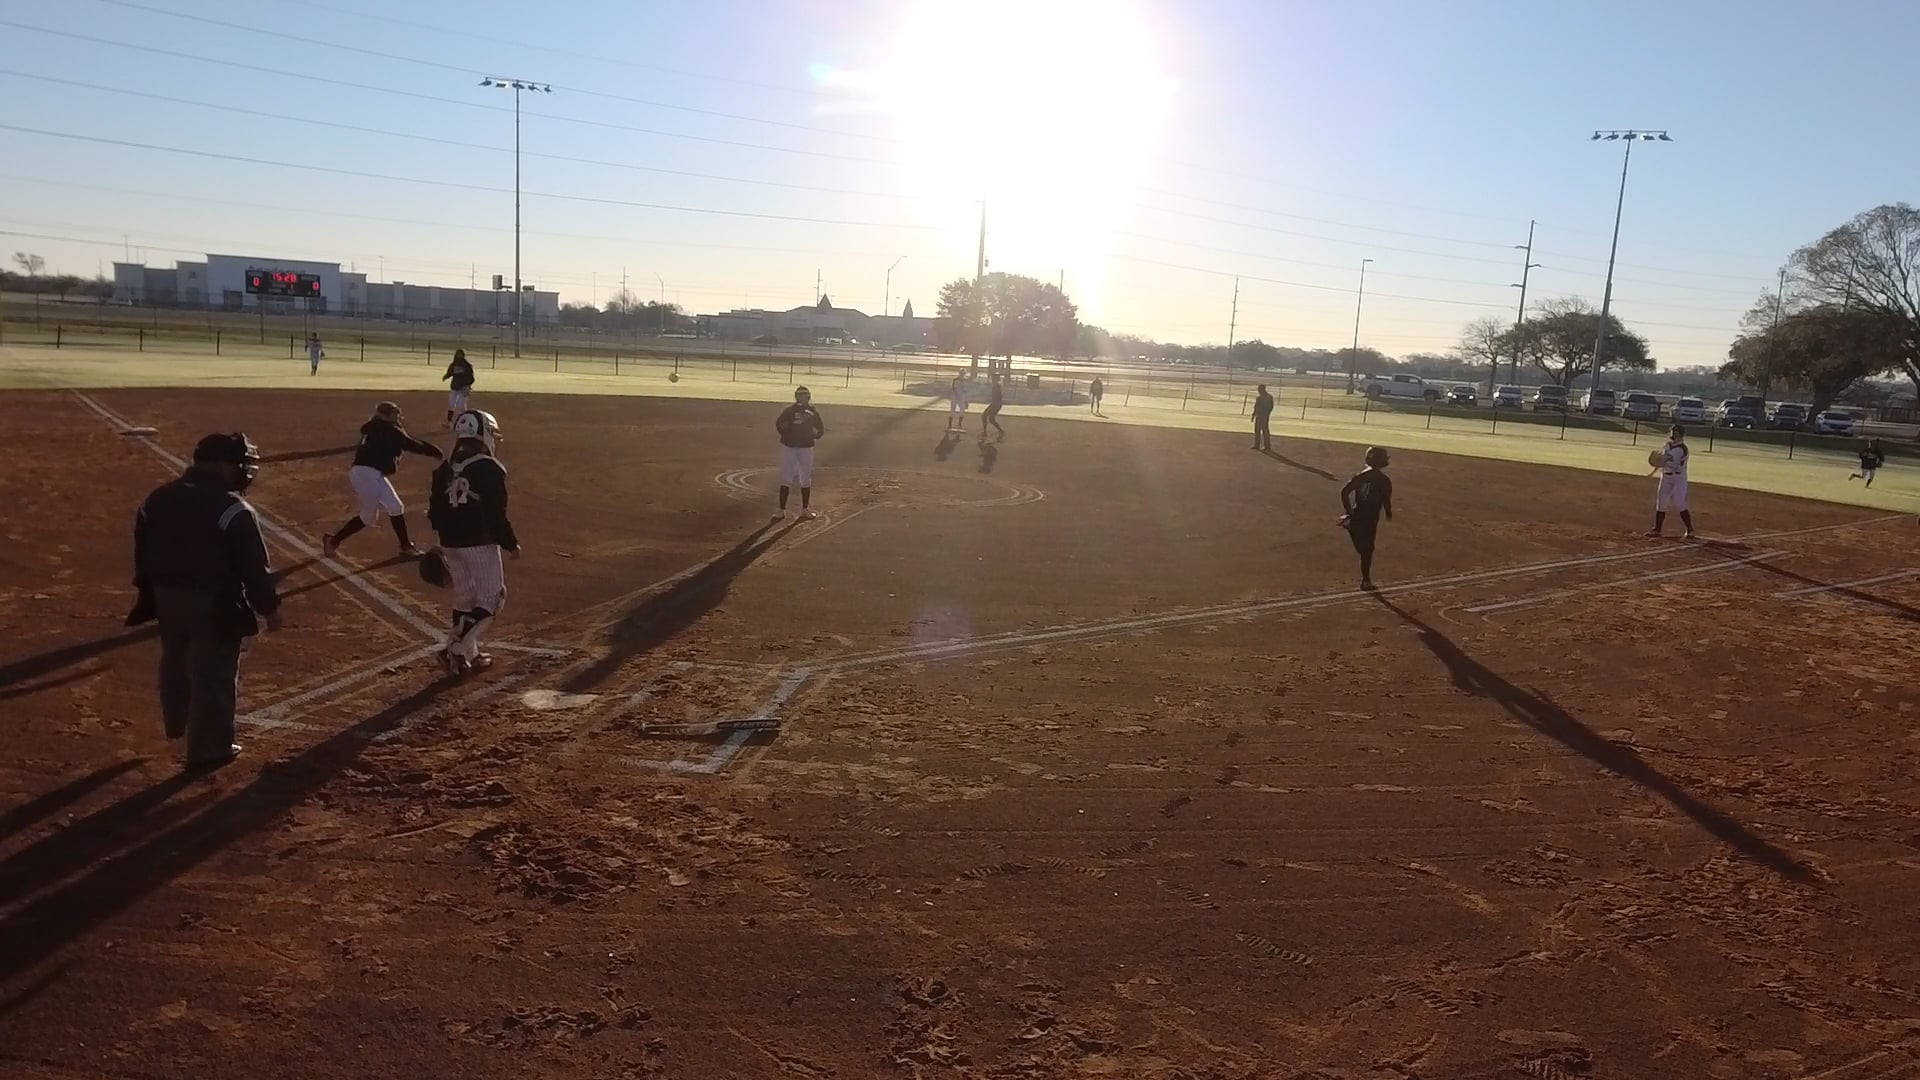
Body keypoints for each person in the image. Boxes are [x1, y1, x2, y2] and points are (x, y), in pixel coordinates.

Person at [129, 432, 282, 770]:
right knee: (213, 672)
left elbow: (142, 548)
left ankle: (177, 722)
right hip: (214, 602)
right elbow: (253, 567)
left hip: (166, 597)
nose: (244, 471)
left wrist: (148, 591)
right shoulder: (233, 509)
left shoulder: (158, 498)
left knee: (175, 658)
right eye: (239, 464)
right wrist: (268, 607)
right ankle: (209, 748)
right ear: (221, 464)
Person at [428, 409, 519, 676]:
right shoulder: (489, 467)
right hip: (478, 541)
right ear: (484, 434)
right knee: (491, 600)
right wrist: (509, 542)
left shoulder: (445, 468)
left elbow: (434, 511)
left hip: (450, 542)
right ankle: (454, 648)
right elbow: (495, 513)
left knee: (464, 598)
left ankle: (469, 654)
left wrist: (440, 540)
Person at [322, 401, 442, 559]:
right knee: (369, 517)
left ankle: (406, 546)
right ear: (387, 415)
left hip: (372, 473)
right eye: (395, 413)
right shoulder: (388, 428)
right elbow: (410, 444)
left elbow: (405, 441)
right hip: (366, 474)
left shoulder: (378, 427)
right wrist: (434, 452)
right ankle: (333, 540)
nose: (398, 416)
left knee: (396, 506)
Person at [1337, 446, 1394, 591]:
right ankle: (1366, 580)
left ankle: (1350, 522)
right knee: (1367, 550)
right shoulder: (1384, 480)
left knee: (1364, 548)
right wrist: (1388, 512)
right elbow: (1386, 499)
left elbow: (1345, 492)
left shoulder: (1361, 476)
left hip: (1358, 513)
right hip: (1370, 517)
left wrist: (1349, 511)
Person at [774, 385, 827, 520]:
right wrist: (788, 433)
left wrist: (812, 434)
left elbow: (820, 430)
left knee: (805, 478)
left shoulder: (813, 412)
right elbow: (779, 425)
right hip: (789, 447)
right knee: (786, 477)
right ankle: (781, 510)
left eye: (804, 395)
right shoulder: (789, 411)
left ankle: (805, 509)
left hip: (806, 448)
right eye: (800, 395)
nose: (802, 397)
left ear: (808, 397)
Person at [1647, 423, 1695, 540]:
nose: (1673, 433)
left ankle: (1690, 530)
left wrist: (1659, 461)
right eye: (1672, 431)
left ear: (1680, 434)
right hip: (1666, 477)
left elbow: (1670, 463)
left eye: (1675, 431)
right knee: (1661, 502)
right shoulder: (1667, 445)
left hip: (1678, 479)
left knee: (1679, 502)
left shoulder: (1682, 449)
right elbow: (1662, 460)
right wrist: (1654, 471)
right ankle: (1657, 530)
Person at [442, 348, 477, 429]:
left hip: (463, 388)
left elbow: (472, 378)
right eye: (458, 354)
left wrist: (468, 386)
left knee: (461, 406)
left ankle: (463, 423)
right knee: (451, 404)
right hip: (454, 387)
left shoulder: (467, 366)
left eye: (461, 355)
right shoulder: (453, 364)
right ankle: (449, 423)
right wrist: (446, 376)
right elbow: (450, 373)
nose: (459, 356)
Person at [982, 375, 1006, 441]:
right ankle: (1001, 431)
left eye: (993, 379)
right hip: (995, 404)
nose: (992, 380)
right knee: (991, 419)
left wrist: (994, 403)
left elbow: (998, 396)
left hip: (995, 405)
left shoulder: (996, 387)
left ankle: (985, 432)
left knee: (984, 416)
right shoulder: (997, 386)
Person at [1251, 384, 1275, 450]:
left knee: (1265, 431)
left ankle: (1267, 446)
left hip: (1264, 417)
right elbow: (1256, 407)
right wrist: (1253, 415)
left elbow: (1270, 407)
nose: (1258, 391)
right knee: (1257, 431)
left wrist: (1266, 414)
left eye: (1259, 389)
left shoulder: (1268, 397)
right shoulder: (1258, 398)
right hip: (1258, 416)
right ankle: (1257, 445)